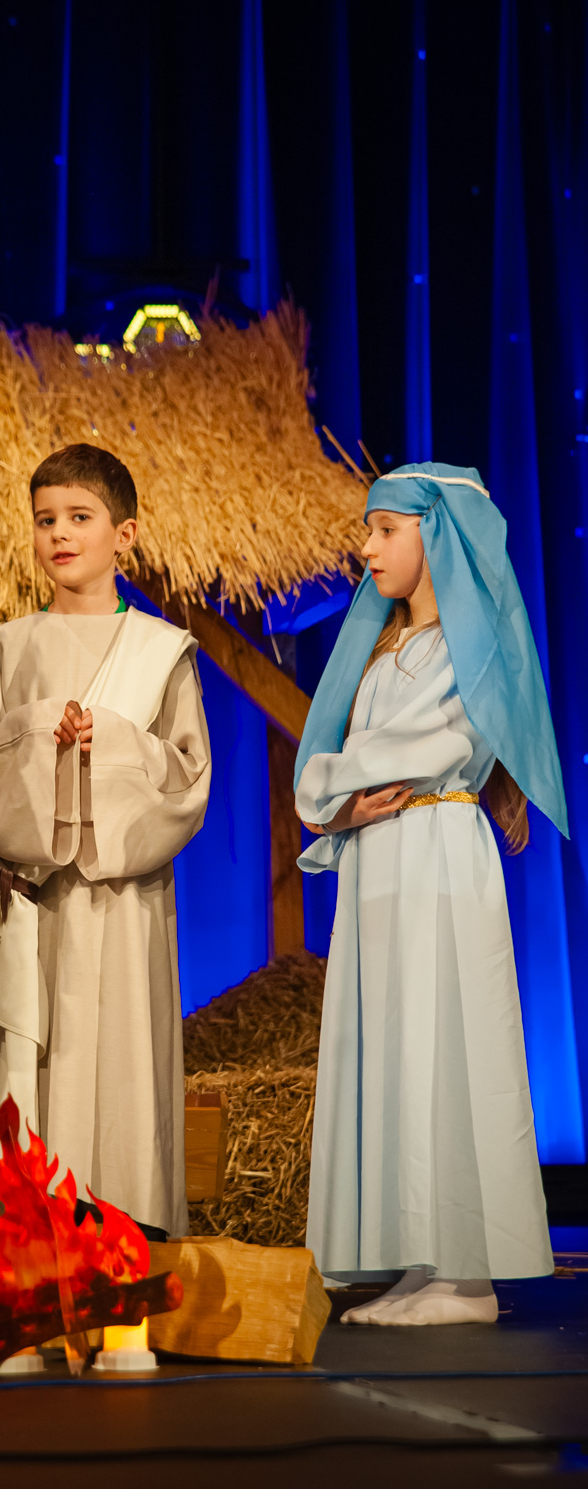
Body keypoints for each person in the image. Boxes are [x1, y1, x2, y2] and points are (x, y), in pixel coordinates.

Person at [294, 463, 565, 1326]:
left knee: (444, 1039)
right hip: (380, 862)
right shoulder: (386, 648)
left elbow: (404, 751)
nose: (366, 548)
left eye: (386, 530)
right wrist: (336, 802)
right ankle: (419, 1260)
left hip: (436, 854)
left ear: (436, 536)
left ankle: (465, 1276)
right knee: (393, 1046)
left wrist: (328, 784)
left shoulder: (464, 651)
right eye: (366, 530)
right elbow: (341, 774)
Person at [0, 443, 211, 1240]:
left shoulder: (160, 651)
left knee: (121, 1065)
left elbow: (187, 776)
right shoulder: (11, 645)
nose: (59, 534)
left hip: (125, 899)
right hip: (38, 901)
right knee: (39, 1067)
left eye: (79, 517)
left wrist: (114, 743)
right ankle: (35, 1250)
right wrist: (41, 734)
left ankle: (125, 1242)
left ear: (123, 534)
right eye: (44, 520)